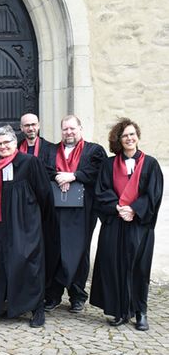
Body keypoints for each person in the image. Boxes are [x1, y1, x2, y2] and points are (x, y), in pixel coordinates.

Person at [90, 119, 163, 331]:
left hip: (139, 225)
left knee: (139, 268)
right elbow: (101, 191)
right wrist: (117, 207)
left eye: (132, 134)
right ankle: (119, 311)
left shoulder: (150, 164)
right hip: (115, 222)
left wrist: (133, 209)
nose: (129, 138)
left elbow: (154, 194)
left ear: (137, 136)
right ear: (119, 140)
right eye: (125, 136)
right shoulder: (109, 165)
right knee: (113, 266)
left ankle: (140, 312)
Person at [0, 125, 53, 328]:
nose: (3, 146)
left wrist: (35, 221)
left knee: (28, 262)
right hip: (1, 222)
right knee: (3, 263)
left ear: (15, 143)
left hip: (25, 222)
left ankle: (37, 308)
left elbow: (44, 194)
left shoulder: (30, 162)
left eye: (6, 142)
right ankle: (11, 306)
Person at [44, 116, 106, 313]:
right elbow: (43, 170)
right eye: (65, 129)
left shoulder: (94, 150)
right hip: (56, 210)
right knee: (54, 251)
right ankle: (53, 295)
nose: (68, 132)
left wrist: (74, 175)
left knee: (79, 252)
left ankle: (77, 295)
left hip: (83, 211)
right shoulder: (51, 150)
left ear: (80, 128)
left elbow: (99, 171)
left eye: (72, 128)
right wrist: (57, 176)